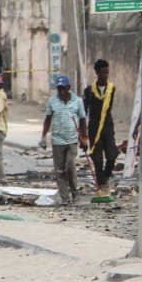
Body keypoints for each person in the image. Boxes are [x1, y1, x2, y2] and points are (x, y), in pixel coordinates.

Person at [41, 75, 88, 206]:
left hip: (72, 140)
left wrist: (84, 137)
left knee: (70, 167)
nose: (61, 92)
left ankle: (75, 192)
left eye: (63, 88)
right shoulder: (52, 101)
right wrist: (43, 137)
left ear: (69, 88)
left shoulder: (77, 101)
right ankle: (65, 198)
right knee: (59, 171)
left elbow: (83, 120)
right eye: (59, 89)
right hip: (57, 140)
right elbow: (48, 120)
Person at [83, 59, 118, 198]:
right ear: (96, 73)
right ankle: (102, 186)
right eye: (103, 72)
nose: (105, 75)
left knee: (112, 155)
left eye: (107, 72)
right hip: (94, 128)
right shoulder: (89, 91)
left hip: (108, 127)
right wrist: (83, 133)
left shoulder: (111, 89)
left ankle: (105, 178)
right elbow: (84, 111)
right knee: (97, 160)